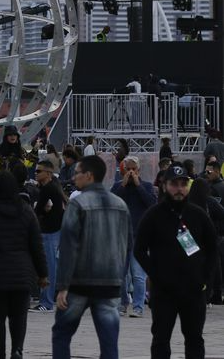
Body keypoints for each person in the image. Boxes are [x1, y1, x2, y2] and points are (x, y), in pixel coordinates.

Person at [134, 164, 218, 359]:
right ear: (164, 186)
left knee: (195, 339)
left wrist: (205, 278)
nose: (179, 189)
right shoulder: (153, 215)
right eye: (174, 184)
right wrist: (155, 275)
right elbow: (139, 250)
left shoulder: (198, 215)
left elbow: (212, 249)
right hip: (164, 293)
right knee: (161, 340)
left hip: (193, 291)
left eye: (183, 184)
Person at [52, 155, 131, 359]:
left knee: (61, 334)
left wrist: (62, 286)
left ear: (89, 175)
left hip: (80, 281)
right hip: (110, 282)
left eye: (77, 173)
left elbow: (69, 245)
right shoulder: (120, 204)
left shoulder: (77, 204)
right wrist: (120, 278)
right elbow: (126, 245)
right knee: (109, 342)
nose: (74, 177)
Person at [0, 171, 48, 359]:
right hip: (21, 274)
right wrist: (43, 274)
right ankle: (17, 350)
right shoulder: (26, 211)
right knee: (19, 317)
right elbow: (36, 245)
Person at [109, 154, 155, 318]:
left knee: (138, 274)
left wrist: (138, 185)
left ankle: (138, 307)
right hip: (121, 235)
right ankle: (122, 304)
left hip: (139, 235)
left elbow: (151, 204)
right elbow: (111, 203)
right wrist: (123, 185)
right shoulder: (117, 186)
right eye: (127, 169)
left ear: (139, 170)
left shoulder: (147, 186)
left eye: (133, 169)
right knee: (120, 274)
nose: (130, 172)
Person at [32, 158, 66, 313]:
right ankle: (47, 300)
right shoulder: (53, 187)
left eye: (39, 171)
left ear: (48, 173)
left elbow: (38, 210)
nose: (36, 173)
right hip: (54, 231)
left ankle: (46, 302)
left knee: (49, 268)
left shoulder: (47, 189)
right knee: (52, 266)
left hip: (49, 232)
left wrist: (40, 213)